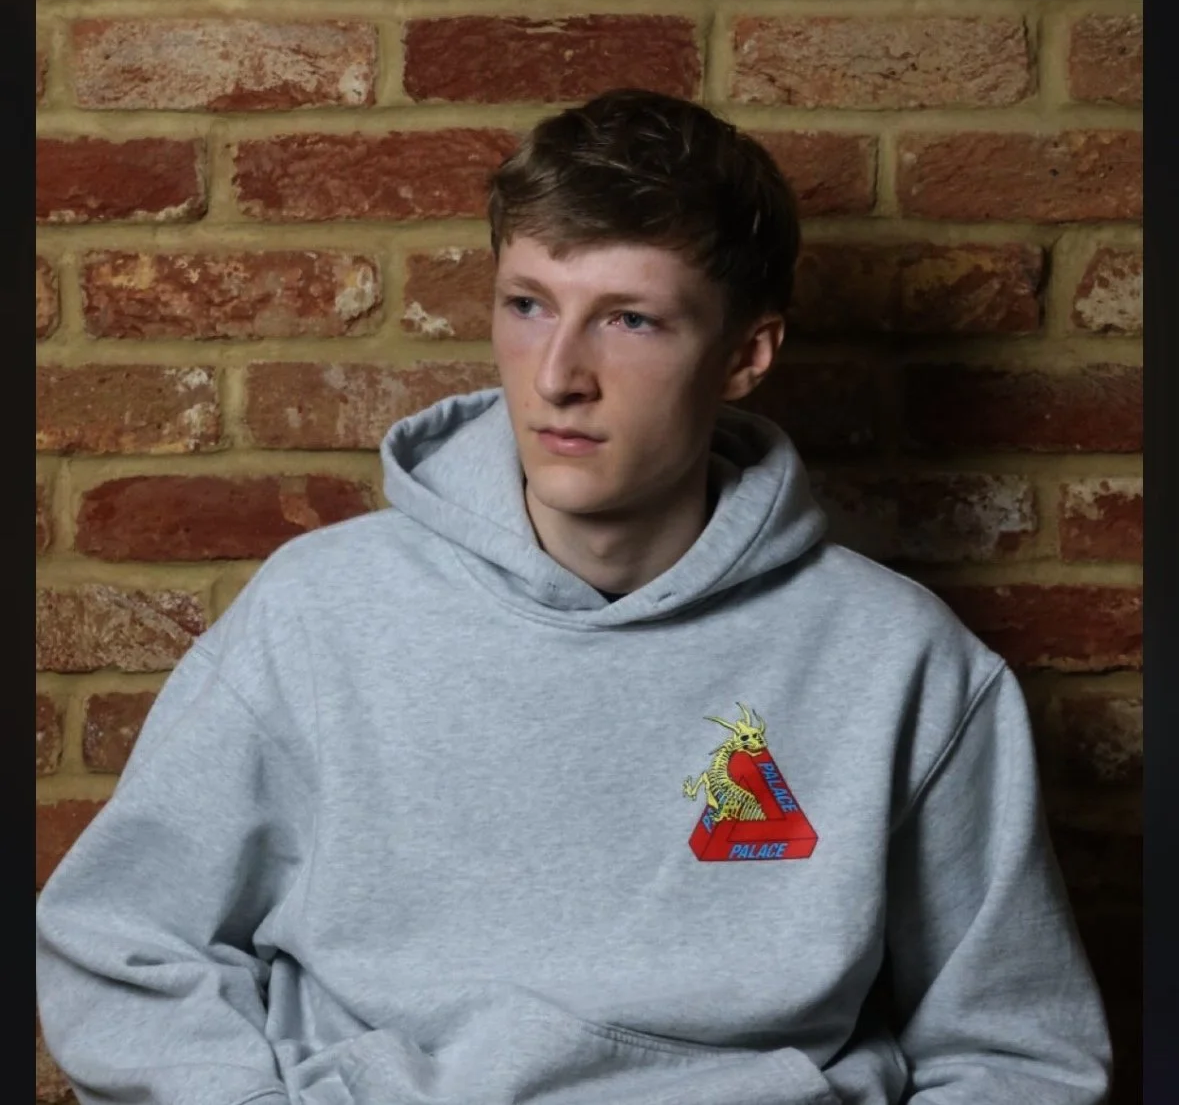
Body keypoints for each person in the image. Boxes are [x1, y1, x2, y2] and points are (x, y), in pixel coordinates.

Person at [36, 89, 1112, 1105]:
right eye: (527, 304)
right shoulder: (322, 611)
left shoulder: (900, 661)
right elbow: (115, 937)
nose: (557, 374)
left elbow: (1017, 1049)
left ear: (746, 354)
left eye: (629, 320)